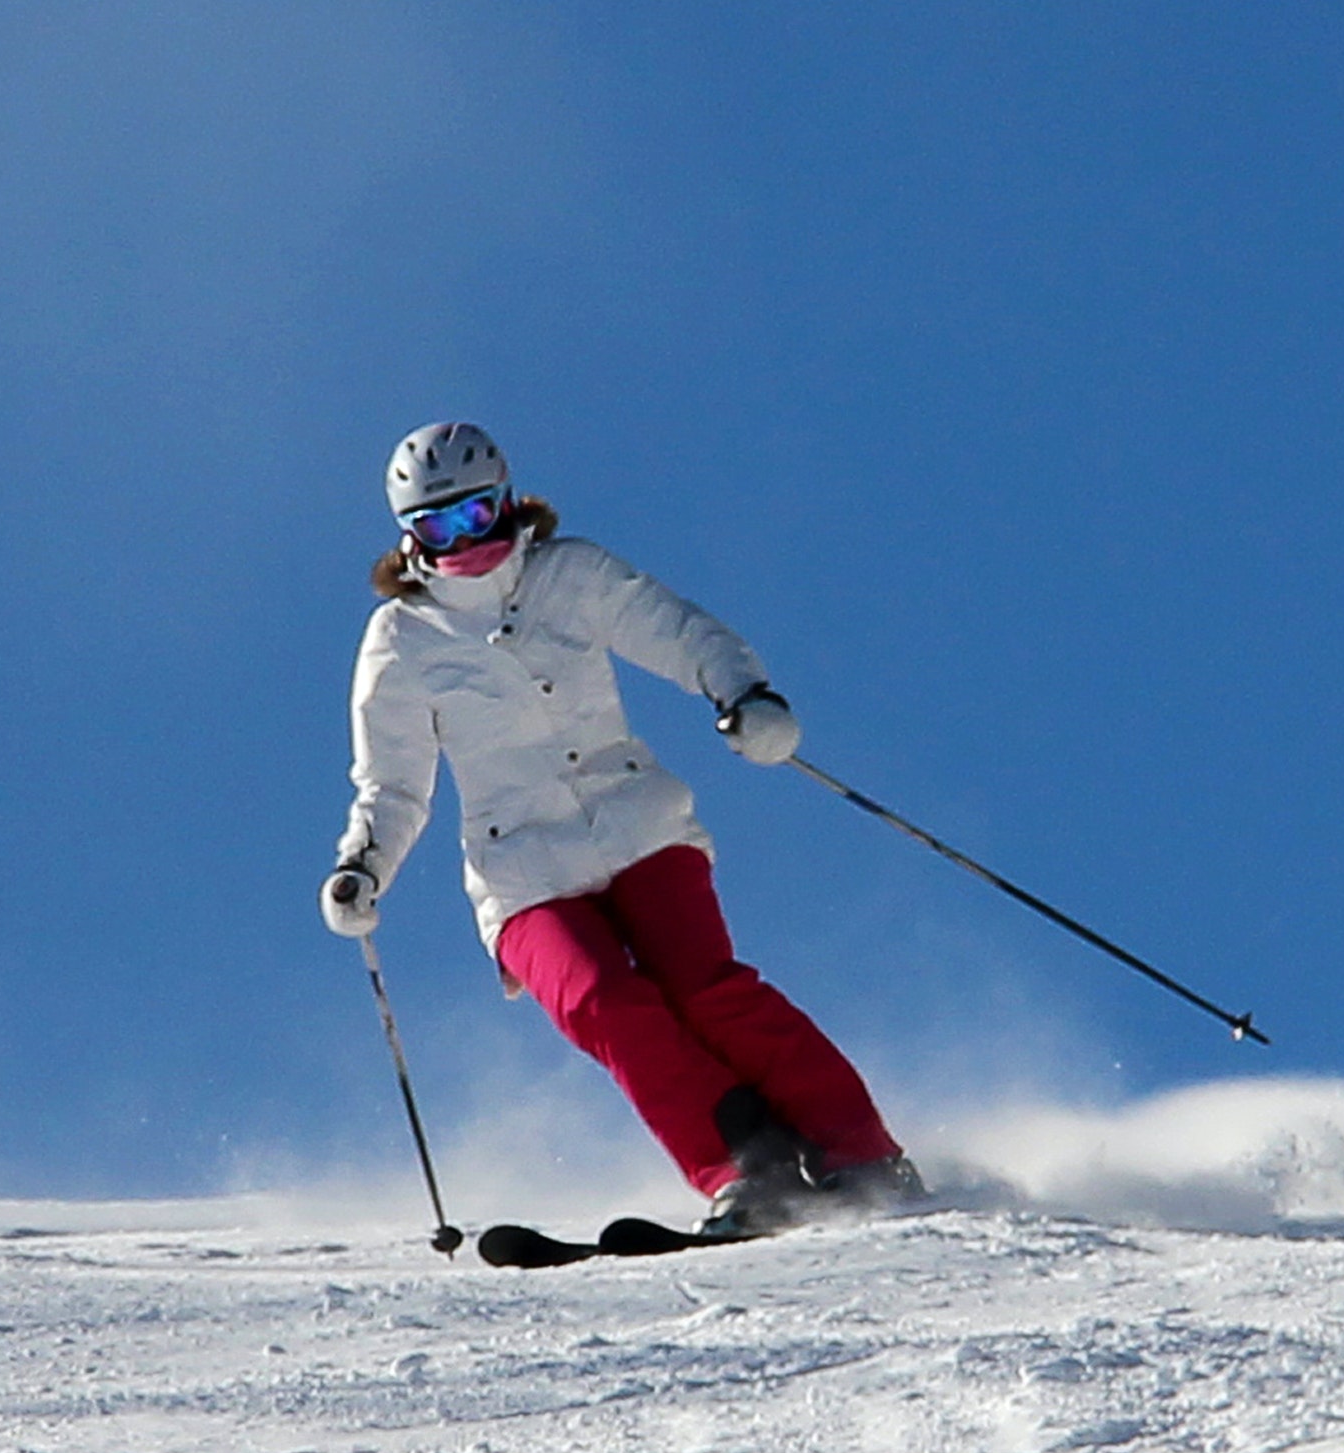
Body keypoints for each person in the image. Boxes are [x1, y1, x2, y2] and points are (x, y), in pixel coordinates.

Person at [322, 422, 921, 1235]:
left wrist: (743, 696)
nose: (466, 542)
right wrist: (363, 866)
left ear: (508, 501)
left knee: (705, 990)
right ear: (410, 537)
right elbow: (392, 782)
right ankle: (753, 1167)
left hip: (635, 823)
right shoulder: (402, 639)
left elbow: (679, 633)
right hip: (520, 869)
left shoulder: (571, 574)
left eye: (478, 515)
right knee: (604, 1002)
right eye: (439, 527)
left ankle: (860, 1153)